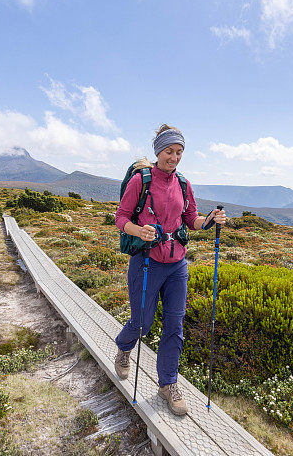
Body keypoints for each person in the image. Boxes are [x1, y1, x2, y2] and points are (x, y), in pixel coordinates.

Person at [113, 124, 227, 416]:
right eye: (169, 151)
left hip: (177, 265)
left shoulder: (184, 183)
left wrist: (211, 219)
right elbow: (121, 217)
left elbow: (192, 221)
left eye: (179, 152)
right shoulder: (142, 180)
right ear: (158, 152)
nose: (174, 157)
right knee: (142, 323)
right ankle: (124, 348)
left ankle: (168, 385)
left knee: (175, 327)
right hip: (146, 262)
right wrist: (139, 231)